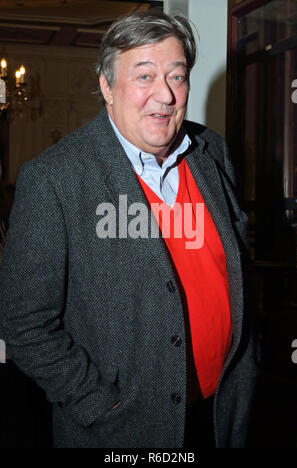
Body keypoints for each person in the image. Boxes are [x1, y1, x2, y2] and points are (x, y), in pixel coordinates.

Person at [0, 9, 259, 449]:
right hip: (124, 430)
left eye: (176, 77)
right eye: (144, 76)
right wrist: (97, 404)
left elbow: (235, 263)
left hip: (222, 413)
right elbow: (23, 322)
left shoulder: (211, 151)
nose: (165, 95)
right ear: (107, 85)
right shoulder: (55, 180)